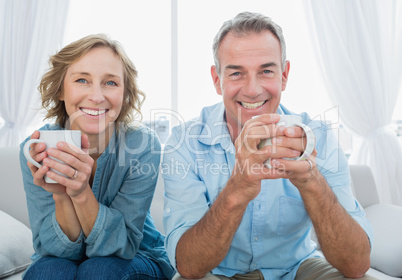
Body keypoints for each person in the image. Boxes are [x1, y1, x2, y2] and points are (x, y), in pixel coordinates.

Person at [162, 12, 375, 280]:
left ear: (284, 75)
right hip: (216, 273)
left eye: (266, 71)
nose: (252, 90)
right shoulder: (185, 143)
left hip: (295, 268)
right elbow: (189, 266)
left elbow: (356, 264)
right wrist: (237, 189)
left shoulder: (317, 136)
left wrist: (311, 182)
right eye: (237, 73)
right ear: (217, 80)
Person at [20, 34, 175, 280]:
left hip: (138, 256)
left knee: (99, 270)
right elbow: (52, 249)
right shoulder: (35, 149)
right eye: (82, 80)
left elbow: (122, 246)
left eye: (110, 83)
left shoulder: (141, 145)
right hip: (61, 260)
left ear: (125, 93)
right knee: (48, 271)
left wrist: (81, 194)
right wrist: (61, 195)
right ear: (61, 89)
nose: (97, 96)